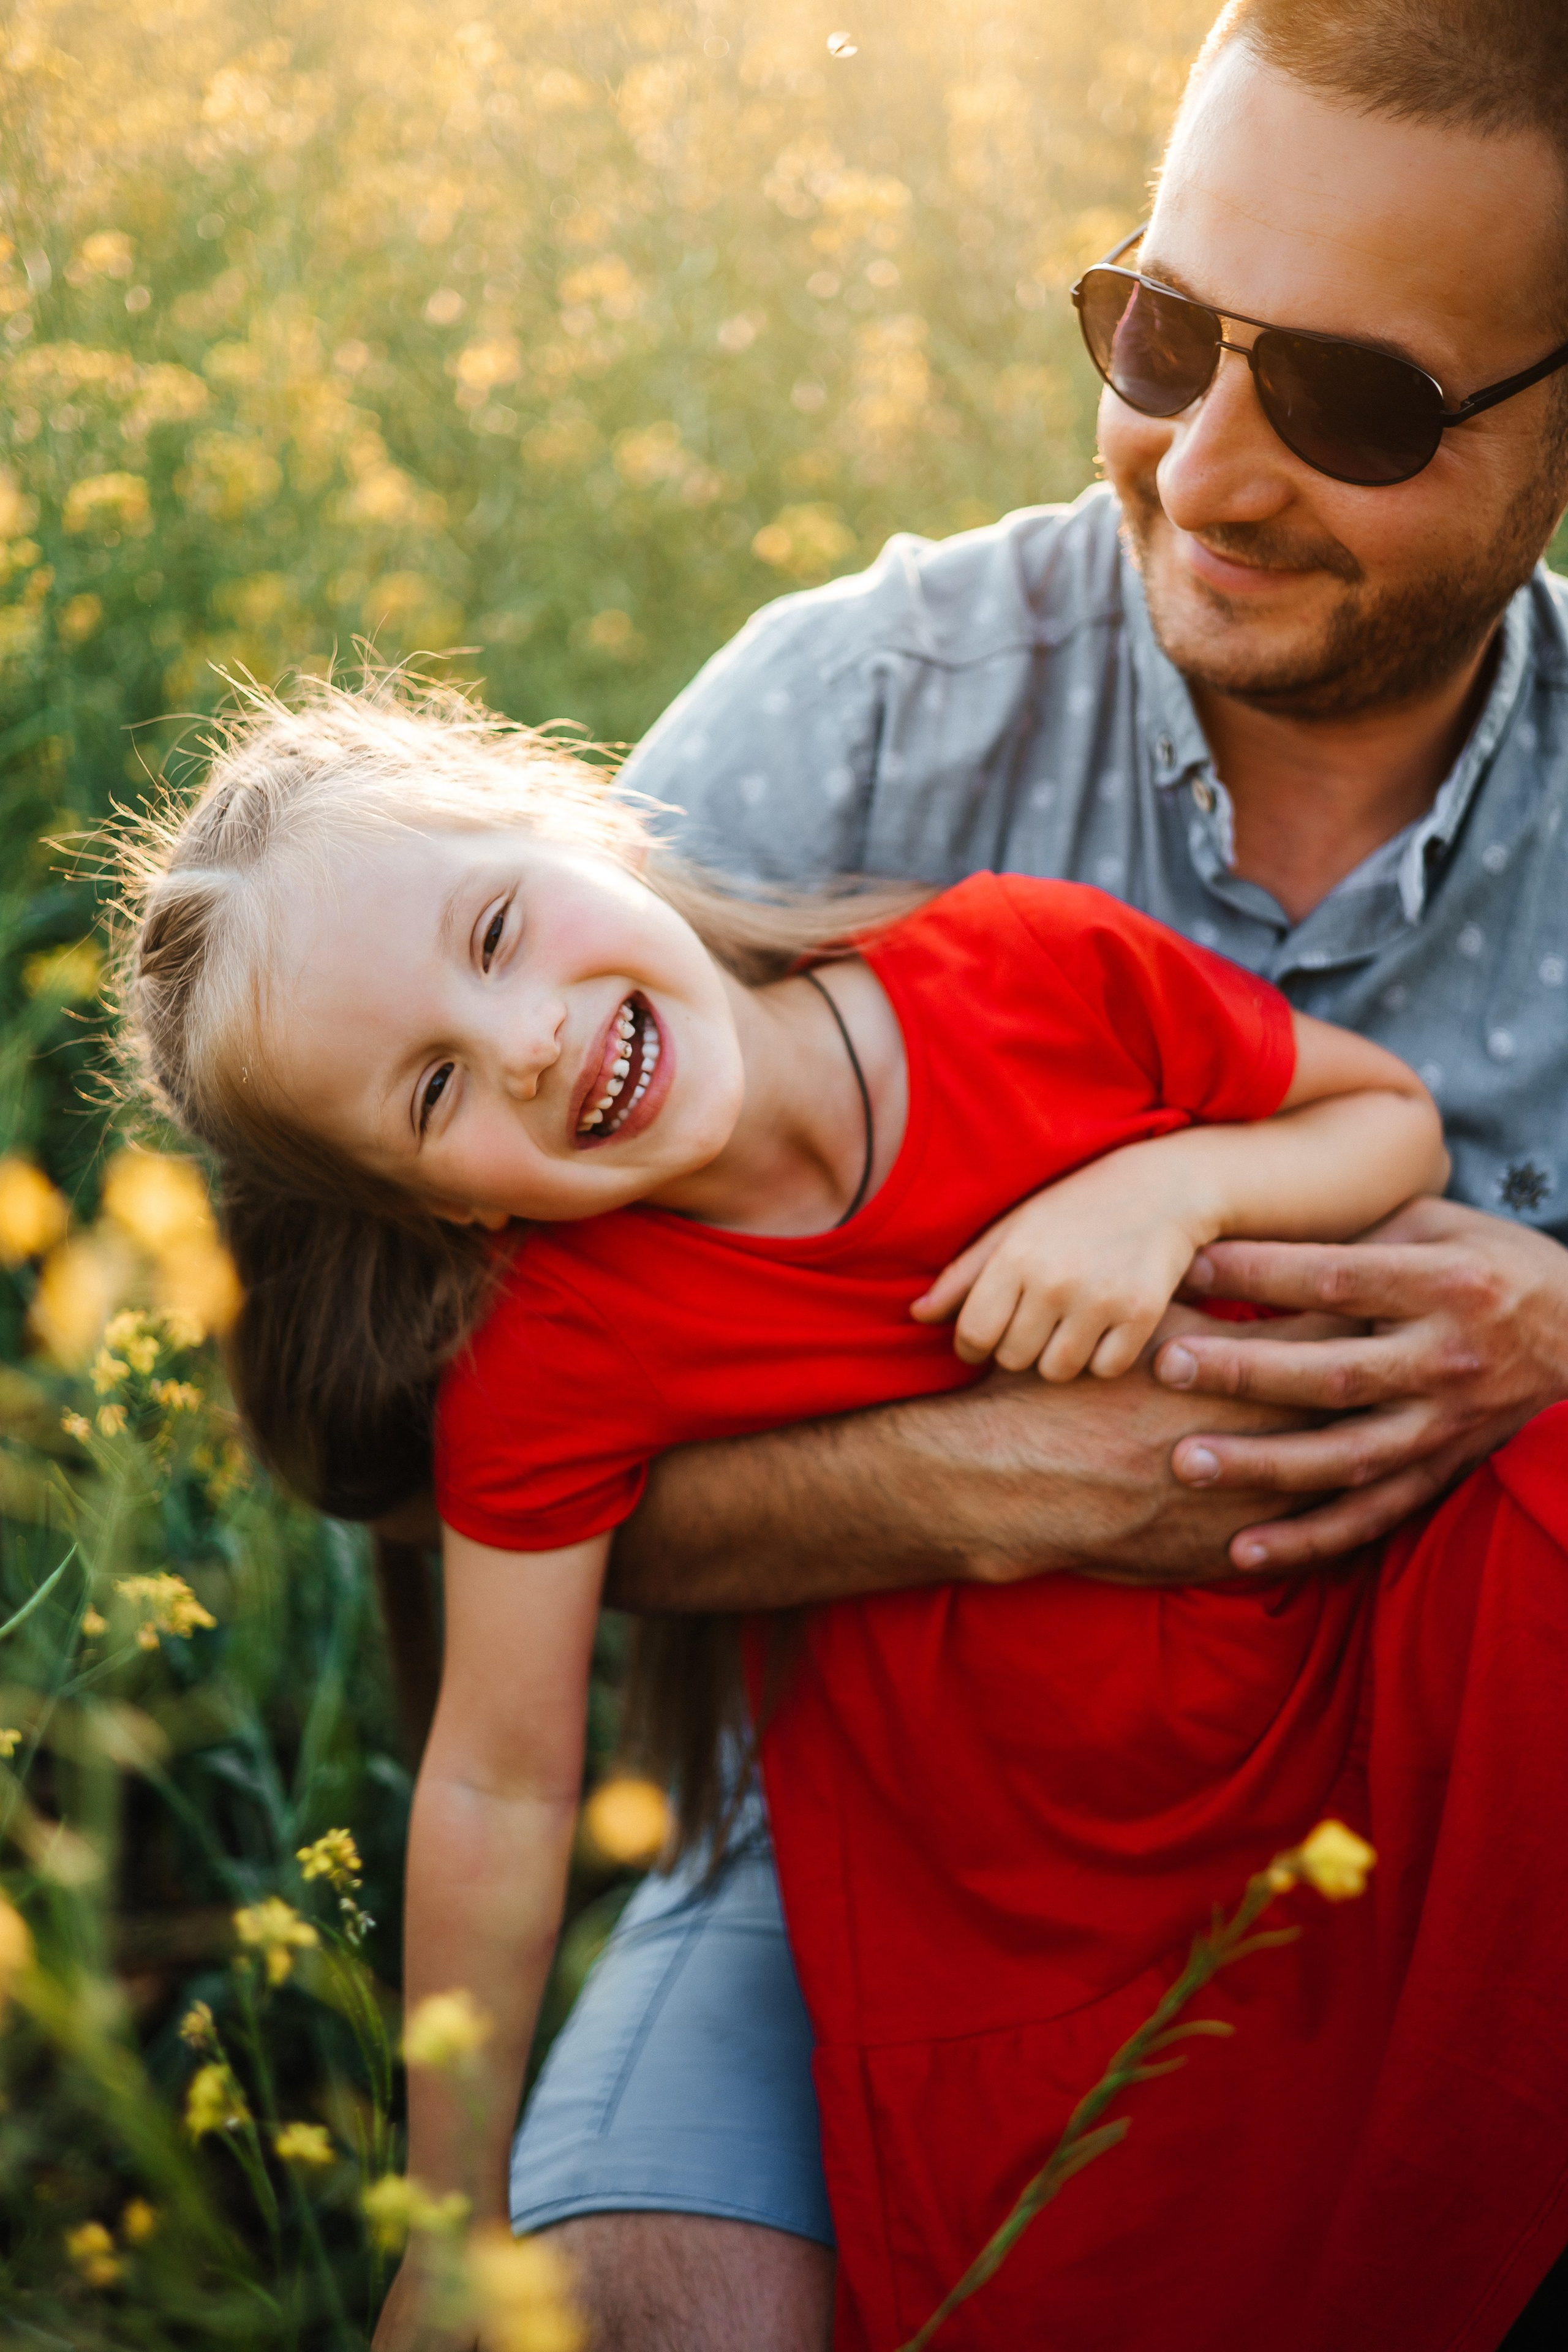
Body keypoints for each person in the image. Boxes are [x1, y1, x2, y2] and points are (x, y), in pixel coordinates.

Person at [473, 2, 1568, 2346]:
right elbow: (427, 1439)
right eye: (1162, 334)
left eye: (1358, 403)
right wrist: (986, 1484)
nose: (1207, 471)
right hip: (873, 1830)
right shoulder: (855, 722)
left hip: (1483, 1835)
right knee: (635, 2312)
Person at [127, 663, 1568, 2352]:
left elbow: (1382, 1119)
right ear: (443, 1210)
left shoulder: (1021, 962)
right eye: (431, 1093)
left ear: (590, 826)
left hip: (1351, 1681)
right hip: (1022, 1889)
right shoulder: (558, 1354)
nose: (523, 1045)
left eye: (498, 931)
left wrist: (1173, 1188)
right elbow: (500, 1784)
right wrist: (451, 2226)